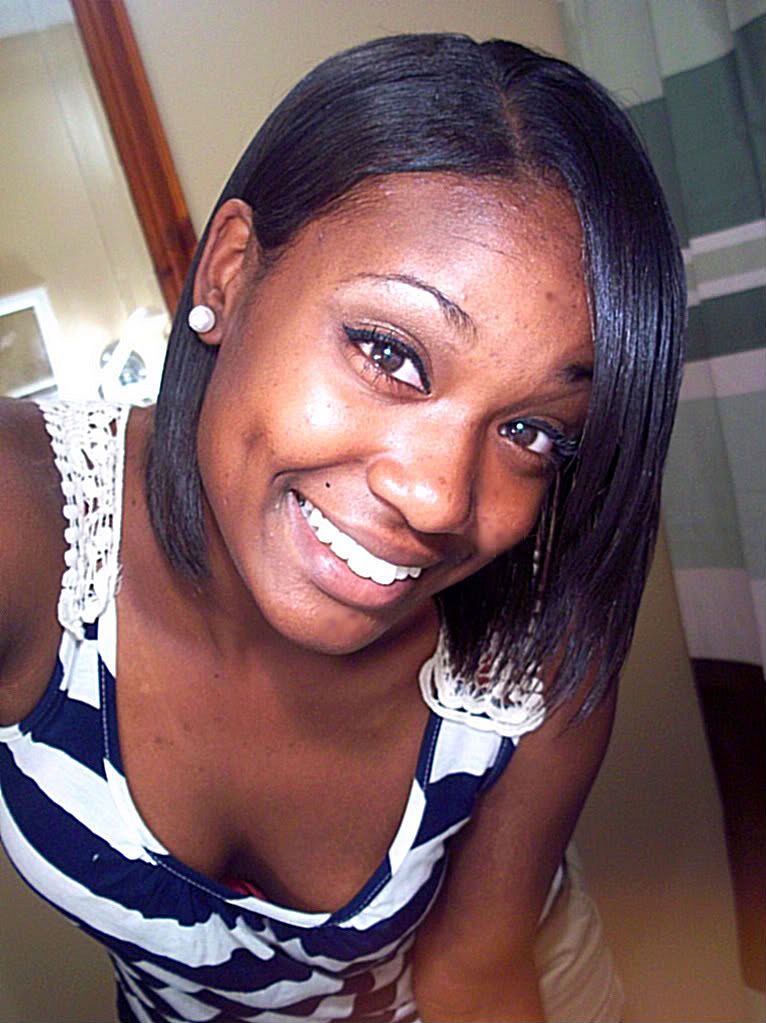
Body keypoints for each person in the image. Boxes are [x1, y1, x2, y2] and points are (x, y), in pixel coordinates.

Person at [0, 32, 684, 1023]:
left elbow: (477, 969)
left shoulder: (531, 657)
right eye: (388, 352)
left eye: (533, 431)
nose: (439, 499)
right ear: (229, 273)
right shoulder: (34, 527)